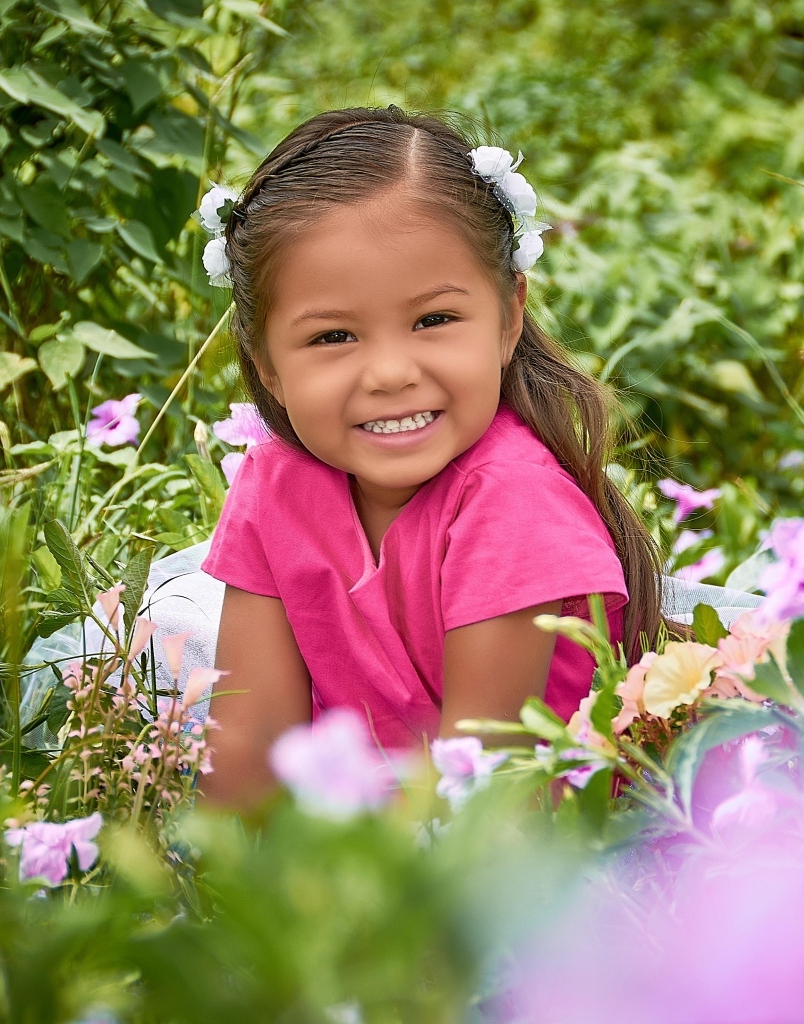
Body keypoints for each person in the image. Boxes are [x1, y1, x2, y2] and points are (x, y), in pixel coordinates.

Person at [198, 106, 664, 808]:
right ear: (265, 361)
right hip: (368, 857)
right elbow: (246, 770)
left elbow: (483, 801)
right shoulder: (274, 489)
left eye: (434, 320)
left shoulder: (511, 500)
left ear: (509, 317)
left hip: (534, 871)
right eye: (332, 337)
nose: (389, 372)